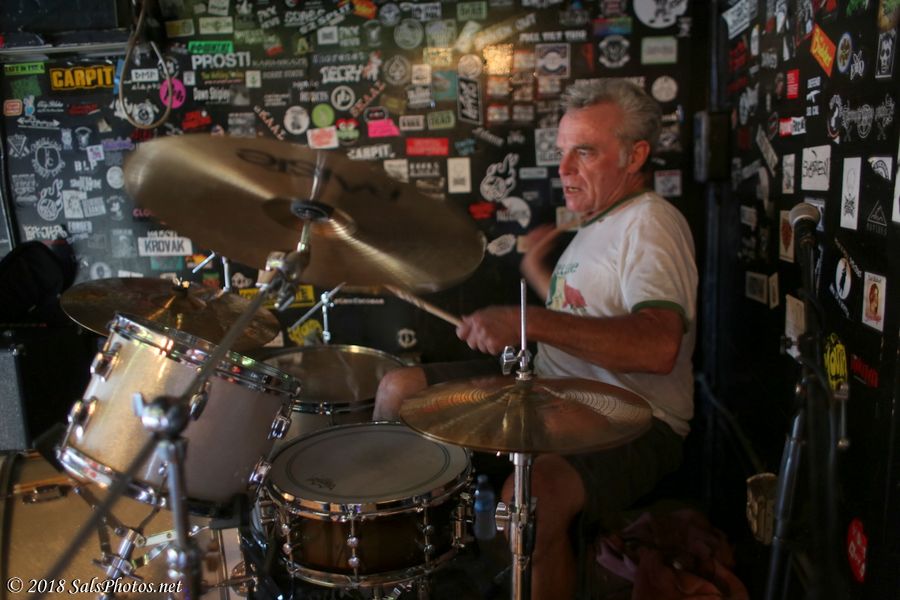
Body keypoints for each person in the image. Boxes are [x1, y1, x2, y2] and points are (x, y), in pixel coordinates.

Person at [373, 79, 698, 600]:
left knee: (532, 502)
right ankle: (397, 563)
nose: (564, 168)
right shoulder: (598, 222)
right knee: (398, 389)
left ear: (635, 155)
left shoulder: (651, 223)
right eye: (563, 151)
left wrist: (530, 322)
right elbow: (588, 314)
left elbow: (657, 346)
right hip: (555, 387)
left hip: (637, 418)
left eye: (584, 152)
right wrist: (537, 271)